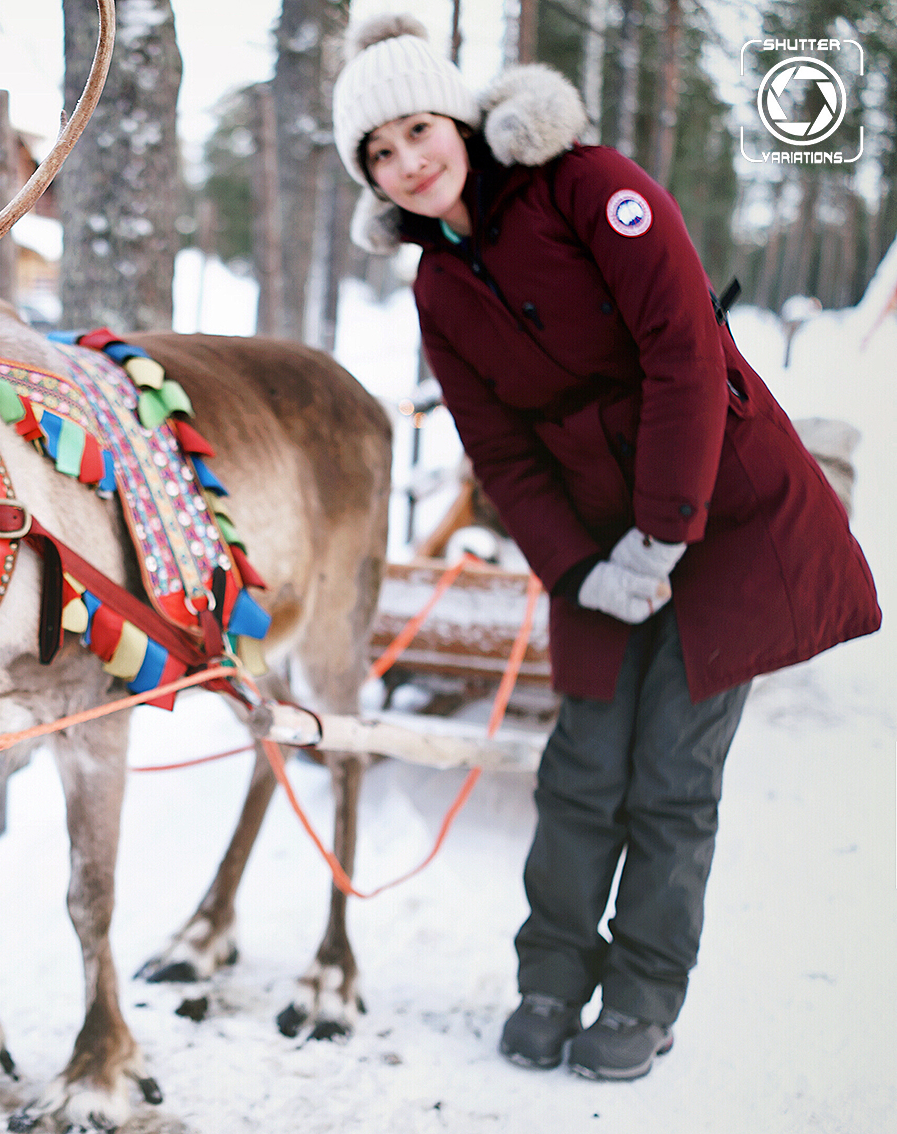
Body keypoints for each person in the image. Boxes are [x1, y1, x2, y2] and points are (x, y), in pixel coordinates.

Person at [330, 15, 882, 1081]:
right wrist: (581, 569)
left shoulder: (590, 186)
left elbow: (682, 352)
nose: (407, 164)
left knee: (672, 773)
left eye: (415, 131)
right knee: (583, 769)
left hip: (718, 512)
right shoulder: (438, 285)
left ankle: (641, 998)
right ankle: (552, 977)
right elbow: (497, 446)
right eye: (379, 154)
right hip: (589, 539)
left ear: (459, 116)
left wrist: (664, 537)